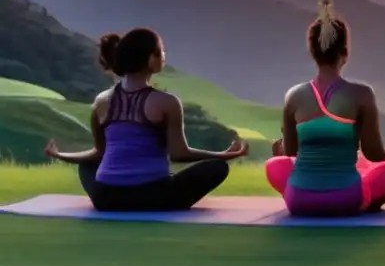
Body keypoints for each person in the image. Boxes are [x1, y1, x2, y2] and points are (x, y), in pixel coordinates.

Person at [44, 28, 248, 212]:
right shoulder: (166, 102)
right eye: (161, 51)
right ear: (151, 60)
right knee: (217, 168)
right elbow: (179, 153)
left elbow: (99, 153)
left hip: (106, 198)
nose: (164, 56)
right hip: (153, 196)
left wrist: (61, 155)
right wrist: (223, 156)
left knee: (87, 166)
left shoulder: (101, 101)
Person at [265, 0, 385, 216]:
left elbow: (292, 153)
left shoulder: (293, 96)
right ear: (345, 53)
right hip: (346, 199)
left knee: (275, 163)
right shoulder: (361, 94)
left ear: (313, 52)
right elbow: (375, 153)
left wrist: (283, 148)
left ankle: (317, 194)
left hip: (298, 200)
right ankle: (363, 198)